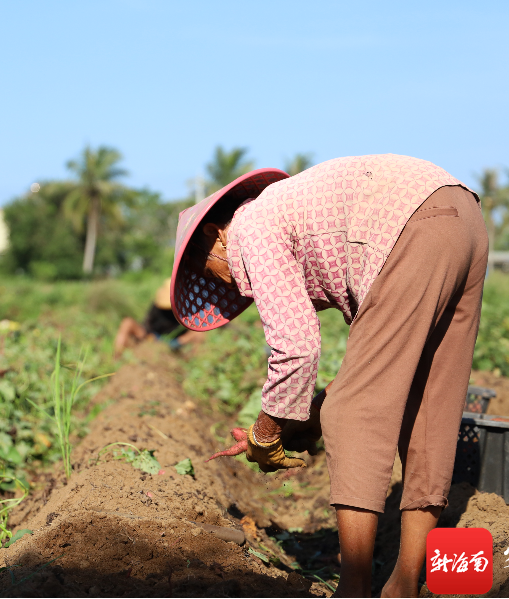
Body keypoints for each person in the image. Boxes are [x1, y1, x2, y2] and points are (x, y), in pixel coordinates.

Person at [171, 156, 488, 598]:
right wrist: (299, 420)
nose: (225, 282)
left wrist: (266, 433)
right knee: (429, 404)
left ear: (215, 233)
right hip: (462, 218)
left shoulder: (251, 229)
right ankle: (403, 586)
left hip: (409, 226)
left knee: (350, 414)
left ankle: (355, 586)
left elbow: (297, 348)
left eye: (210, 270)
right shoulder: (283, 209)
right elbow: (377, 369)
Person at [113, 278, 203, 358]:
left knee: (199, 334)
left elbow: (192, 328)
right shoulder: (157, 306)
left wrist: (180, 341)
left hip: (176, 341)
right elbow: (148, 323)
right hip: (153, 337)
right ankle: (117, 357)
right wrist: (150, 336)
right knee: (127, 323)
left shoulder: (187, 309)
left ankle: (189, 361)